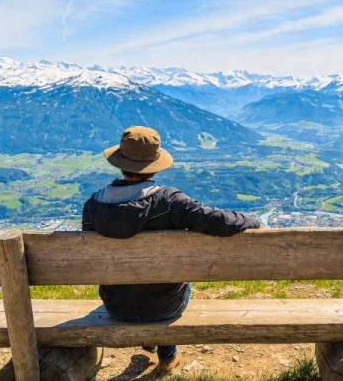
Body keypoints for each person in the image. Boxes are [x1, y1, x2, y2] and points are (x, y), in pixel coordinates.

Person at [81, 126, 259, 371]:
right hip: (165, 307)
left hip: (116, 306)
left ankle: (152, 342)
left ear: (120, 163)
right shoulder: (169, 201)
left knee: (137, 286)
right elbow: (218, 221)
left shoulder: (93, 205)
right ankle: (167, 356)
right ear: (154, 164)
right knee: (175, 283)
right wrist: (252, 221)